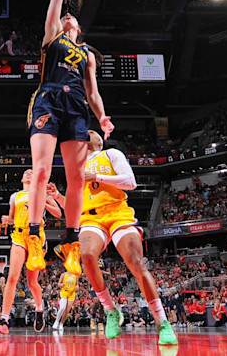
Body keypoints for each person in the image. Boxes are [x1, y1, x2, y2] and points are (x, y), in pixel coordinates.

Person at [25, 0, 114, 277]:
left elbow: (93, 92)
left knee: (76, 179)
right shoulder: (52, 38)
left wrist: (103, 118)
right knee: (43, 171)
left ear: (79, 27)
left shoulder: (87, 54)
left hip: (77, 108)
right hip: (49, 101)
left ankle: (71, 242)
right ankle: (35, 236)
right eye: (65, 17)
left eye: (72, 19)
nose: (67, 18)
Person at [50, 129, 177, 343]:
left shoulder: (111, 154)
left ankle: (162, 321)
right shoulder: (75, 166)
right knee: (88, 255)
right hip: (90, 218)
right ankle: (110, 311)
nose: (87, 132)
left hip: (117, 212)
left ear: (99, 140)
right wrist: (58, 197)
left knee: (136, 262)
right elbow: (74, 204)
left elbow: (130, 182)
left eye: (91, 131)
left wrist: (97, 176)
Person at [0, 169, 62, 335]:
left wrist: (42, 201)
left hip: (36, 236)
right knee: (12, 277)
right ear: (22, 178)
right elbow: (13, 219)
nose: (29, 173)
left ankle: (39, 308)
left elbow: (58, 213)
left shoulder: (41, 192)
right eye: (26, 172)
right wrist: (8, 220)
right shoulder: (15, 196)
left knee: (31, 282)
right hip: (19, 235)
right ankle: (4, 320)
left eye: (32, 172)